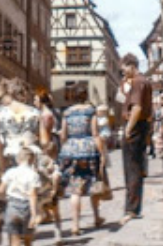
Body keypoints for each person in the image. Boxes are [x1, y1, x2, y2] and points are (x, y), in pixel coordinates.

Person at [0, 78, 61, 240]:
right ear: (24, 94)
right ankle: (28, 228)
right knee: (31, 196)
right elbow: (45, 142)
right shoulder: (34, 113)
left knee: (12, 198)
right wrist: (51, 149)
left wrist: (0, 166)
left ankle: (14, 234)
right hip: (30, 157)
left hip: (10, 157)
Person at [58, 85, 106, 235]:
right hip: (88, 150)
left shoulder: (67, 113)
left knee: (75, 189)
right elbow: (95, 132)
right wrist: (102, 152)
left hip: (71, 150)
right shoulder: (90, 111)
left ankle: (75, 225)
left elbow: (63, 134)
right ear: (86, 95)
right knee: (93, 185)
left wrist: (65, 148)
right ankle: (97, 217)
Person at [119, 52, 153, 224]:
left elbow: (137, 108)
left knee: (131, 168)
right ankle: (133, 207)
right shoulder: (144, 81)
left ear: (131, 65)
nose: (123, 72)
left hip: (135, 127)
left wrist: (128, 128)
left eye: (124, 69)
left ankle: (131, 209)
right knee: (136, 168)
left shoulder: (138, 82)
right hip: (141, 127)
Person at [0, 145, 43, 246]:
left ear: (17, 159)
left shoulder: (10, 172)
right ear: (32, 160)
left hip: (12, 205)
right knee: (27, 240)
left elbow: (0, 190)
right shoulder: (34, 175)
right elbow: (33, 195)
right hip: (27, 207)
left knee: (14, 239)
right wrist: (34, 214)